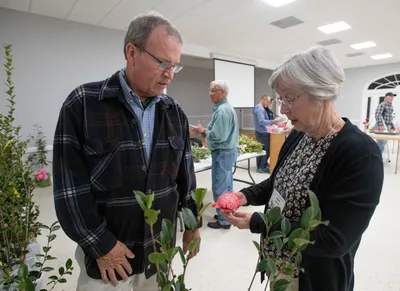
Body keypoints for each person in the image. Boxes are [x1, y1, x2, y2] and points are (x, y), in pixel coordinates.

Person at [52, 11, 201, 291]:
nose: (169, 75)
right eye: (162, 63)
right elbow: (69, 191)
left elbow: (186, 179)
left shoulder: (174, 113)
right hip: (107, 259)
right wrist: (102, 245)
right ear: (131, 52)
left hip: (158, 250)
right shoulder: (83, 105)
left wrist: (192, 223)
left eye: (175, 66)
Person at [222, 46, 384, 291]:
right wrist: (244, 195)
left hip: (314, 277)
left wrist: (259, 223)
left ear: (321, 93)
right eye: (280, 99)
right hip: (279, 262)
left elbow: (335, 239)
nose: (282, 109)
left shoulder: (360, 154)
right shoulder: (300, 134)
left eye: (289, 98)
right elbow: (277, 183)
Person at [190, 80, 239, 229]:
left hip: (222, 153)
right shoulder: (224, 108)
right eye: (210, 90)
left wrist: (202, 131)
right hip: (228, 152)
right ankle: (228, 215)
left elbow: (219, 136)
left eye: (214, 90)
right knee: (227, 186)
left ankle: (224, 221)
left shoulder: (222, 111)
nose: (210, 94)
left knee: (220, 188)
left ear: (223, 92)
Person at [253, 95, 279, 173]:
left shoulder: (257, 107)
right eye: (267, 101)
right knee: (266, 150)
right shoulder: (260, 109)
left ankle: (260, 165)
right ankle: (262, 167)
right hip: (263, 133)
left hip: (260, 132)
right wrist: (273, 121)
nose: (268, 103)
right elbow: (261, 121)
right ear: (264, 99)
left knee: (260, 149)